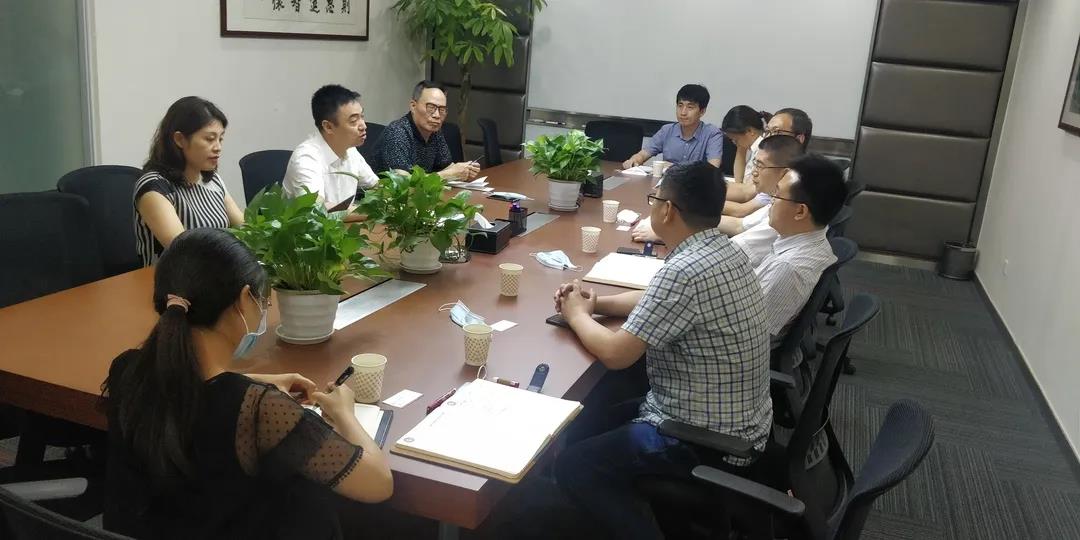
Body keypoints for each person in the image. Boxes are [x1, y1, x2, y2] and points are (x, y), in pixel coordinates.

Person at [102, 228, 393, 539]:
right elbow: (378, 483)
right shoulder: (260, 409)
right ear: (243, 300)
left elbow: (197, 385)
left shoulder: (128, 369)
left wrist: (257, 379)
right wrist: (345, 413)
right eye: (262, 300)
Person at [552, 162, 771, 540]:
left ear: (667, 210)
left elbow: (616, 355)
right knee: (589, 417)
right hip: (737, 422)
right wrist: (596, 303)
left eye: (654, 199)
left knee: (574, 466)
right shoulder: (722, 249)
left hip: (702, 440)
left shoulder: (685, 270)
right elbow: (656, 299)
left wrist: (576, 315)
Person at [732, 154, 847, 343]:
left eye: (776, 195)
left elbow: (746, 335)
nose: (771, 201)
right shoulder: (810, 238)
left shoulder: (787, 267)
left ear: (800, 211)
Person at [133, 97, 244, 267]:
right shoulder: (154, 187)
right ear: (180, 140)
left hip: (217, 272)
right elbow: (184, 253)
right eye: (209, 139)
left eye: (220, 139)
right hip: (170, 280)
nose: (218, 147)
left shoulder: (213, 180)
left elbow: (246, 231)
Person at [282, 84, 378, 220]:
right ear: (328, 127)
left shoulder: (350, 150)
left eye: (362, 117)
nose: (363, 126)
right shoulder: (306, 158)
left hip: (341, 229)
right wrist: (372, 211)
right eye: (353, 121)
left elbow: (376, 186)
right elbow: (317, 210)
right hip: (303, 231)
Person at [371, 81, 480, 181]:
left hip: (420, 194)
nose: (437, 115)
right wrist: (448, 174)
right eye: (431, 107)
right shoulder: (397, 132)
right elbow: (402, 182)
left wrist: (464, 169)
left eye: (442, 110)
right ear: (413, 106)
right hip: (385, 195)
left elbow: (446, 167)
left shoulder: (435, 132)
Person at [621, 84, 723, 169]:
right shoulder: (667, 130)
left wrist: (674, 168)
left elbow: (712, 169)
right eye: (680, 106)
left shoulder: (712, 134)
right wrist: (633, 160)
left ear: (702, 111)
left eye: (690, 107)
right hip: (667, 185)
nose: (683, 112)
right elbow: (643, 154)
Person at [725, 107, 814, 204]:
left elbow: (745, 195)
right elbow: (744, 190)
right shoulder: (772, 161)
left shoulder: (793, 177)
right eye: (767, 131)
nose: (768, 138)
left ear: (799, 139)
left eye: (776, 132)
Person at [717, 134, 806, 226]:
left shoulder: (786, 208)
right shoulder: (773, 194)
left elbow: (741, 210)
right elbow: (739, 225)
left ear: (785, 173)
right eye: (768, 131)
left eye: (760, 166)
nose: (754, 173)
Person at [721, 105, 770, 184]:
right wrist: (740, 149)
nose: (734, 143)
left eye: (736, 139)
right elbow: (739, 180)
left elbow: (751, 186)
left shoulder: (764, 149)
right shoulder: (748, 146)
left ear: (750, 131)